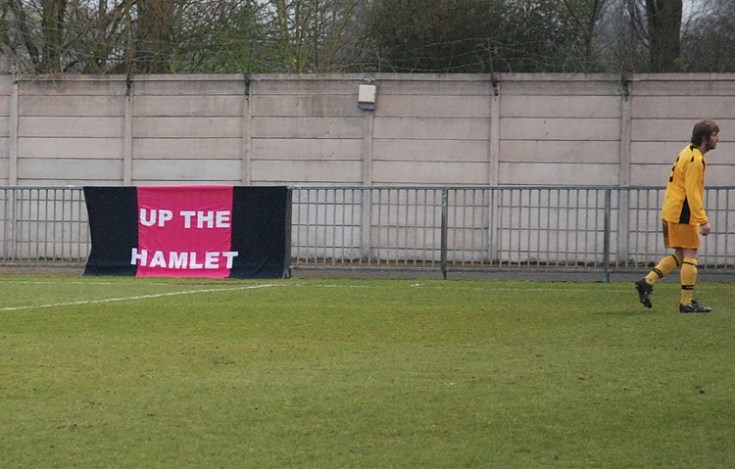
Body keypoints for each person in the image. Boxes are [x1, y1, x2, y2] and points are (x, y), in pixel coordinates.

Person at [635, 119, 720, 313]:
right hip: (682, 212)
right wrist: (703, 220)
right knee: (691, 254)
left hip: (671, 209)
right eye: (714, 135)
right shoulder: (696, 159)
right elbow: (692, 192)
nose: (718, 139)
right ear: (705, 138)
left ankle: (647, 282)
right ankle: (685, 303)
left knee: (682, 255)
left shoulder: (687, 151)